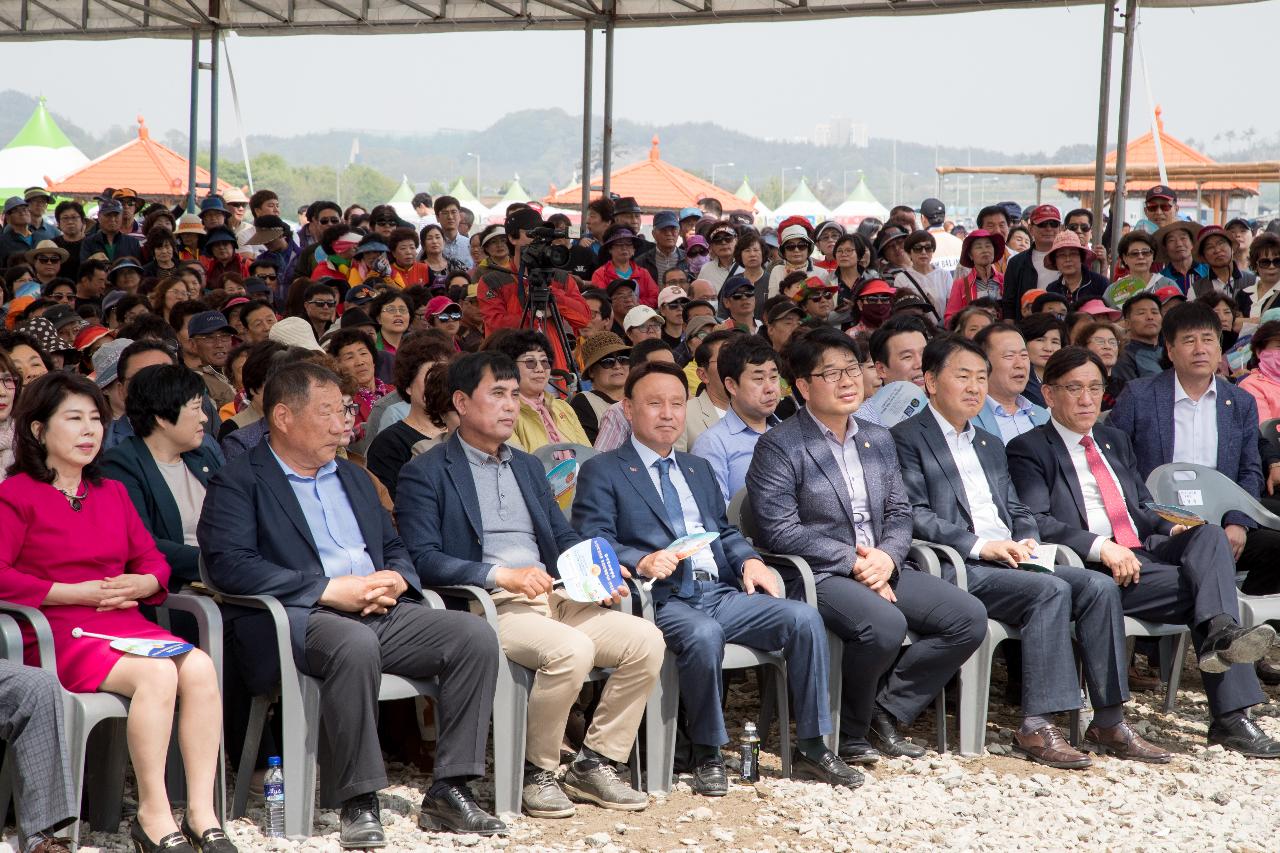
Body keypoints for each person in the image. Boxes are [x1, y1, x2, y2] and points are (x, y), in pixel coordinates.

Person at [199, 362, 505, 842]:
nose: (343, 422)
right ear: (283, 416)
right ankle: (357, 799)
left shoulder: (353, 476)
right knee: (354, 643)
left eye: (343, 409)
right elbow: (227, 564)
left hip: (377, 608)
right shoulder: (240, 479)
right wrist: (323, 588)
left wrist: (397, 580)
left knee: (474, 636)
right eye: (328, 412)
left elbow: (398, 547)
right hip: (298, 618)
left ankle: (451, 788)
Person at [574, 360, 861, 792]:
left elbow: (722, 531)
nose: (668, 414)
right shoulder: (604, 469)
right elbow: (593, 539)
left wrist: (748, 560)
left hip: (719, 592)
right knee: (704, 634)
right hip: (661, 599)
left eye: (676, 404)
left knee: (803, 618)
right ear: (628, 410)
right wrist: (642, 558)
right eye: (655, 404)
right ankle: (707, 753)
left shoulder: (696, 468)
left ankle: (812, 747)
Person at [396, 351, 661, 817]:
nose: (510, 405)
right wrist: (500, 574)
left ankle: (595, 763)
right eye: (496, 394)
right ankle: (535, 771)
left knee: (646, 640)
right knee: (571, 651)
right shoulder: (427, 471)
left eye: (515, 394)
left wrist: (594, 569)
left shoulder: (526, 465)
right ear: (460, 401)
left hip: (554, 597)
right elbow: (424, 559)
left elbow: (560, 537)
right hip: (491, 606)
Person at [893, 336, 1165, 767]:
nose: (974, 387)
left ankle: (1110, 719)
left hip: (1012, 557)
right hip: (957, 564)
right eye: (962, 376)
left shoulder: (987, 442)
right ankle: (1037, 725)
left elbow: (1017, 507)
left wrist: (1025, 540)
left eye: (981, 378)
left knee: (1097, 586)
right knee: (1050, 591)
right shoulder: (906, 438)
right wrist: (984, 545)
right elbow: (913, 515)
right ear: (929, 381)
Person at [1007, 347, 1280, 758]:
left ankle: (1222, 632)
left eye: (1095, 388)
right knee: (1209, 591)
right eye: (1074, 388)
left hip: (1145, 558)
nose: (1086, 399)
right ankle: (1231, 715)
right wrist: (1103, 547)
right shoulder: (1029, 447)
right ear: (1048, 394)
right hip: (1094, 569)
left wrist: (1171, 525)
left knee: (1207, 537)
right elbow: (1037, 520)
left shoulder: (1114, 440)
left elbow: (1140, 508)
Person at [0, 372, 233, 851]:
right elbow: (1, 575)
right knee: (157, 676)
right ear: (39, 430)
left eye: (96, 420)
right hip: (55, 631)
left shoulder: (111, 493)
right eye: (74, 419)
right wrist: (70, 593)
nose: (89, 431)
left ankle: (201, 811)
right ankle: (152, 812)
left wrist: (147, 580)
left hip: (120, 622)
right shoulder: (16, 494)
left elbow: (152, 561)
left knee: (201, 669)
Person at [746, 328, 986, 764]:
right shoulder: (779, 445)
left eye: (852, 369)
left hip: (881, 563)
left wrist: (887, 556)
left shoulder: (877, 437)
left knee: (967, 618)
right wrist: (854, 562)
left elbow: (900, 512)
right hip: (817, 572)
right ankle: (851, 735)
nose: (847, 381)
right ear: (802, 386)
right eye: (831, 373)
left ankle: (884, 710)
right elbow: (778, 530)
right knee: (884, 625)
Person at [1108, 302, 1280, 601]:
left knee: (1275, 548)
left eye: (1208, 339)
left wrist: (1238, 521)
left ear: (1219, 347)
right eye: (1189, 340)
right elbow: (1115, 463)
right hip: (1159, 526)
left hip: (1221, 520)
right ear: (1170, 350)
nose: (1200, 349)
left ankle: (1243, 618)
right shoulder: (1139, 395)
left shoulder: (1239, 402)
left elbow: (1249, 468)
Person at [100, 364, 221, 589]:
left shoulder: (202, 456)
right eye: (196, 408)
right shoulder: (121, 466)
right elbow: (144, 544)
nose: (204, 418)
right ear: (162, 418)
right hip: (180, 589)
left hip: (231, 579)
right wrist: (220, 564)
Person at [691, 335, 780, 503]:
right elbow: (717, 514)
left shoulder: (788, 432)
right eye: (759, 379)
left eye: (774, 377)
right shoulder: (712, 443)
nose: (770, 388)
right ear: (731, 385)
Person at [366, 347, 455, 502]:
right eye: (431, 379)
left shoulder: (463, 430)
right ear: (408, 386)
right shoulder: (389, 443)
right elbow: (390, 505)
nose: (440, 386)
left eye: (445, 379)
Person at [487, 330, 588, 453]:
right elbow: (519, 465)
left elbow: (589, 455)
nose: (540, 369)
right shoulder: (505, 412)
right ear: (510, 367)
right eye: (530, 362)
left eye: (545, 362)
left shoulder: (563, 407)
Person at [970, 323, 1050, 442]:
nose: (1020, 364)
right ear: (983, 364)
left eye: (1024, 355)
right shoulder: (967, 419)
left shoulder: (1043, 415)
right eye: (1009, 356)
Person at [1001, 205, 1063, 320]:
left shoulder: (1070, 260)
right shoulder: (1016, 262)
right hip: (1027, 327)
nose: (1048, 229)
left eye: (1053, 224)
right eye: (1042, 224)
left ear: (1060, 228)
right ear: (1030, 229)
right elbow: (1008, 303)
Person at [571, 332, 630, 444]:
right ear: (592, 371)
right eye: (607, 362)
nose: (617, 366)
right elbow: (590, 453)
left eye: (623, 359)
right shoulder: (583, 402)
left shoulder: (639, 396)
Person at [683, 328, 738, 448]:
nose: (736, 367)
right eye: (725, 361)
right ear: (703, 375)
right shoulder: (684, 416)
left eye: (740, 360)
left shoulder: (759, 411)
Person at [945, 229, 1005, 326]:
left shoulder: (1004, 280)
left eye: (988, 246)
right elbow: (949, 319)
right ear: (970, 255)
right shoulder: (960, 285)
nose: (985, 250)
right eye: (978, 247)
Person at [1044, 232, 1109, 311]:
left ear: (1081, 258)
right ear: (1055, 261)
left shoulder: (1100, 283)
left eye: (1073, 254)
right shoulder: (1052, 289)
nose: (1068, 259)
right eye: (1062, 255)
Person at [894, 231, 950, 318]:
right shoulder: (901, 279)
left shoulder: (944, 275)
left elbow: (952, 305)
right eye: (918, 248)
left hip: (942, 328)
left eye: (928, 248)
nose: (923, 252)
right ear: (909, 252)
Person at [1017, 312, 1064, 408]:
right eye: (1040, 340)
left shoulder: (1067, 376)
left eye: (1055, 342)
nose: (1048, 348)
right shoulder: (1016, 381)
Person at [1154, 221, 1207, 294]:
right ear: (1165, 248)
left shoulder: (1208, 271)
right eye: (1171, 240)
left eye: (1183, 238)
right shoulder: (1161, 278)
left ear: (1192, 243)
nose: (1179, 244)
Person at [1237, 232, 1280, 319]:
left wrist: (1245, 323)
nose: (1271, 266)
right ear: (1255, 265)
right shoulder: (1243, 295)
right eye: (1265, 262)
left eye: (1277, 262)